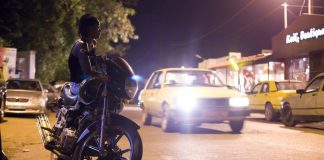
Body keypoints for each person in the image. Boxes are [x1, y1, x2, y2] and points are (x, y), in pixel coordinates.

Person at [68, 14, 102, 95]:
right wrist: (101, 76)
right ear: (89, 28)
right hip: (77, 85)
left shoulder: (92, 44)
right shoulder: (81, 45)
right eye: (97, 27)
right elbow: (87, 72)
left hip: (87, 83)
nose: (99, 30)